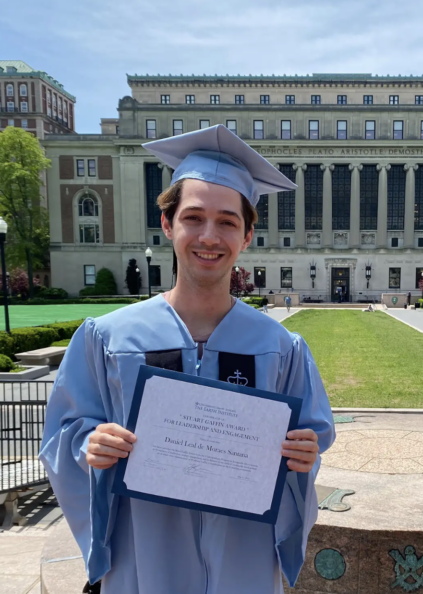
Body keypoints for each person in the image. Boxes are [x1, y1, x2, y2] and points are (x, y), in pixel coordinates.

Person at [39, 125, 335, 594]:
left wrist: (303, 456)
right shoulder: (108, 337)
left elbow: (313, 438)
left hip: (245, 559)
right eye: (193, 217)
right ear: (167, 225)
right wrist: (89, 445)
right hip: (144, 554)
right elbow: (64, 433)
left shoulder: (281, 347)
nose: (209, 236)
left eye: (227, 221)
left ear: (248, 235)